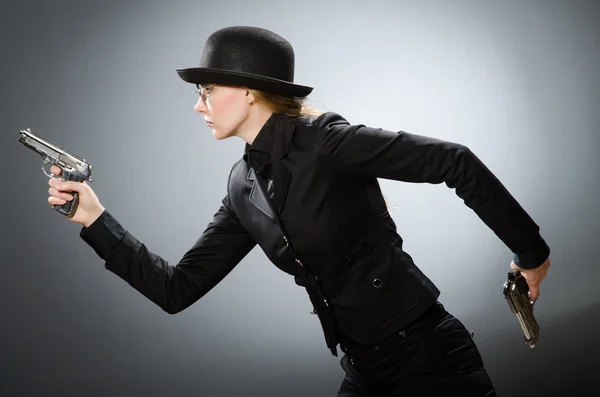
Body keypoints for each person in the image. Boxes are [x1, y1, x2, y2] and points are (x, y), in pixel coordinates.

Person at [46, 26, 550, 396]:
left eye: (206, 92)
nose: (198, 106)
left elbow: (453, 161)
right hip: (364, 370)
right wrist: (95, 219)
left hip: (431, 360)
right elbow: (178, 289)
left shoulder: (326, 141)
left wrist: (532, 254)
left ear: (246, 90)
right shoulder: (243, 187)